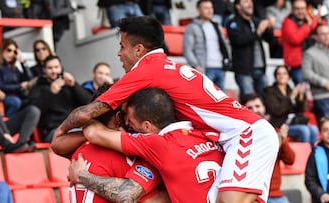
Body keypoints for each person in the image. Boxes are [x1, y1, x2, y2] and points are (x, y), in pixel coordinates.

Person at [54, 16, 279, 203]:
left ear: (139, 49)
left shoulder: (145, 77)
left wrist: (62, 134)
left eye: (122, 47)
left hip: (246, 134)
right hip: (238, 135)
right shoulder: (175, 70)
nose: (119, 54)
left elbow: (85, 116)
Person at [77, 88, 224, 203]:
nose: (127, 124)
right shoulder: (208, 134)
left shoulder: (157, 146)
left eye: (131, 121)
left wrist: (82, 176)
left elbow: (92, 132)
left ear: (147, 126)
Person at [52, 85, 168, 203]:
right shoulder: (132, 157)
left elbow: (56, 144)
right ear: (118, 118)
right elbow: (151, 199)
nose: (129, 120)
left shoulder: (79, 152)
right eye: (127, 113)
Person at [241, 93, 295, 203]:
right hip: (251, 197)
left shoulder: (274, 132)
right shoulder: (239, 136)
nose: (255, 110)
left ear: (264, 108)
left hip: (276, 195)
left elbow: (290, 160)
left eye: (258, 106)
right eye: (250, 108)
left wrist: (283, 141)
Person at [28, 55, 91, 143]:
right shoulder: (38, 88)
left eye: (56, 67)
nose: (54, 71)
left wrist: (74, 85)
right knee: (81, 136)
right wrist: (51, 93)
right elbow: (35, 112)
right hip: (52, 131)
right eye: (50, 68)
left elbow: (88, 103)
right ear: (44, 70)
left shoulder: (69, 85)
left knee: (92, 132)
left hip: (74, 127)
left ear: (61, 68)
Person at [226, 0, 274, 99]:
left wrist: (269, 28)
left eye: (250, 1)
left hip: (260, 68)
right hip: (244, 70)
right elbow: (239, 40)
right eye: (246, 1)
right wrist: (258, 31)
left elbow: (271, 41)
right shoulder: (233, 23)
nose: (250, 3)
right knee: (248, 100)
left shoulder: (256, 21)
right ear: (238, 6)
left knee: (266, 100)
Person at [302, 24, 329, 134]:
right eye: (322, 34)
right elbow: (306, 73)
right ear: (316, 37)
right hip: (322, 98)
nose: (326, 36)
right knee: (328, 132)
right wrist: (324, 82)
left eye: (328, 33)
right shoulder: (309, 53)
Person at [264, 65, 319, 147]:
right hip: (280, 125)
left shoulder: (290, 90)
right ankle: (305, 156)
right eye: (279, 74)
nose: (282, 76)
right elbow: (277, 110)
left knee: (314, 129)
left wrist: (300, 96)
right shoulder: (270, 91)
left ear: (288, 76)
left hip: (294, 122)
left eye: (284, 73)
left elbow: (301, 111)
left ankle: (312, 155)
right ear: (275, 76)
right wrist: (291, 97)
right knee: (304, 130)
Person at [183, 0, 231, 91]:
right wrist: (196, 66)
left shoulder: (217, 26)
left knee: (221, 100)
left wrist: (226, 63)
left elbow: (225, 45)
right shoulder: (192, 27)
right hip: (205, 68)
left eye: (211, 8)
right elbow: (187, 49)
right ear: (199, 10)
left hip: (220, 68)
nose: (210, 11)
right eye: (206, 8)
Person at [0, 38, 35, 117]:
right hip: (4, 98)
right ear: (2, 50)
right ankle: (8, 124)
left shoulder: (14, 68)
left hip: (18, 96)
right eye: (9, 50)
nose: (12, 54)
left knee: (35, 101)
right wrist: (20, 86)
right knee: (15, 102)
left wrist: (23, 63)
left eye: (15, 52)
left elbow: (30, 79)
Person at [305, 117, 329, 203]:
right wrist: (322, 195)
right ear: (320, 134)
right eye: (325, 130)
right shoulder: (315, 154)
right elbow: (310, 180)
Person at [281, 0, 318, 85]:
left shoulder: (309, 19)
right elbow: (295, 39)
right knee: (302, 90)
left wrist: (310, 24)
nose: (300, 11)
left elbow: (315, 23)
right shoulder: (288, 22)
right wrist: (307, 26)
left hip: (310, 62)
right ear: (292, 10)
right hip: (297, 64)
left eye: (302, 9)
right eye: (297, 9)